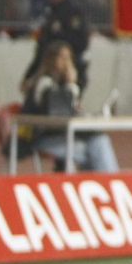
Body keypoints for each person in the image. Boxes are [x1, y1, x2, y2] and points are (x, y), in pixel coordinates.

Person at [21, 40, 118, 172]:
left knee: (100, 140)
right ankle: (104, 180)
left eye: (68, 58)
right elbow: (57, 111)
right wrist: (71, 83)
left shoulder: (64, 84)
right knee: (91, 151)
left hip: (66, 134)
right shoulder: (43, 83)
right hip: (43, 137)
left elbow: (73, 110)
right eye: (62, 58)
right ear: (51, 60)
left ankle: (110, 179)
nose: (67, 62)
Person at [22, 0, 90, 92]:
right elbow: (42, 48)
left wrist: (59, 34)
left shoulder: (73, 11)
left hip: (68, 71)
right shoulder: (50, 9)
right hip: (47, 69)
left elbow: (81, 42)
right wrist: (29, 75)